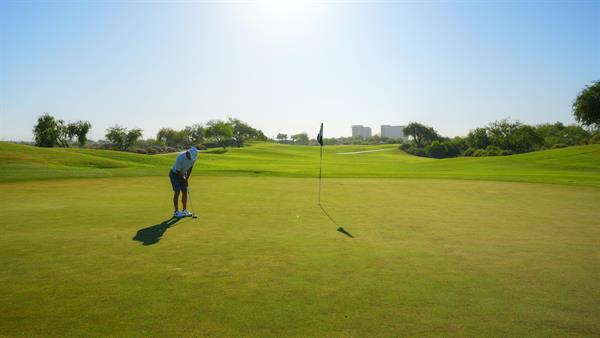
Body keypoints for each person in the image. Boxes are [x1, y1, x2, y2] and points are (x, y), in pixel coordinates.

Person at [169, 147, 198, 218]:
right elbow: (178, 172)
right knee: (177, 191)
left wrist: (186, 178)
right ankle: (176, 212)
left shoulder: (193, 158)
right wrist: (184, 179)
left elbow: (190, 169)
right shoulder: (180, 157)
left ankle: (184, 210)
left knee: (185, 192)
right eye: (191, 157)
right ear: (188, 153)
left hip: (183, 174)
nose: (191, 158)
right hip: (174, 174)